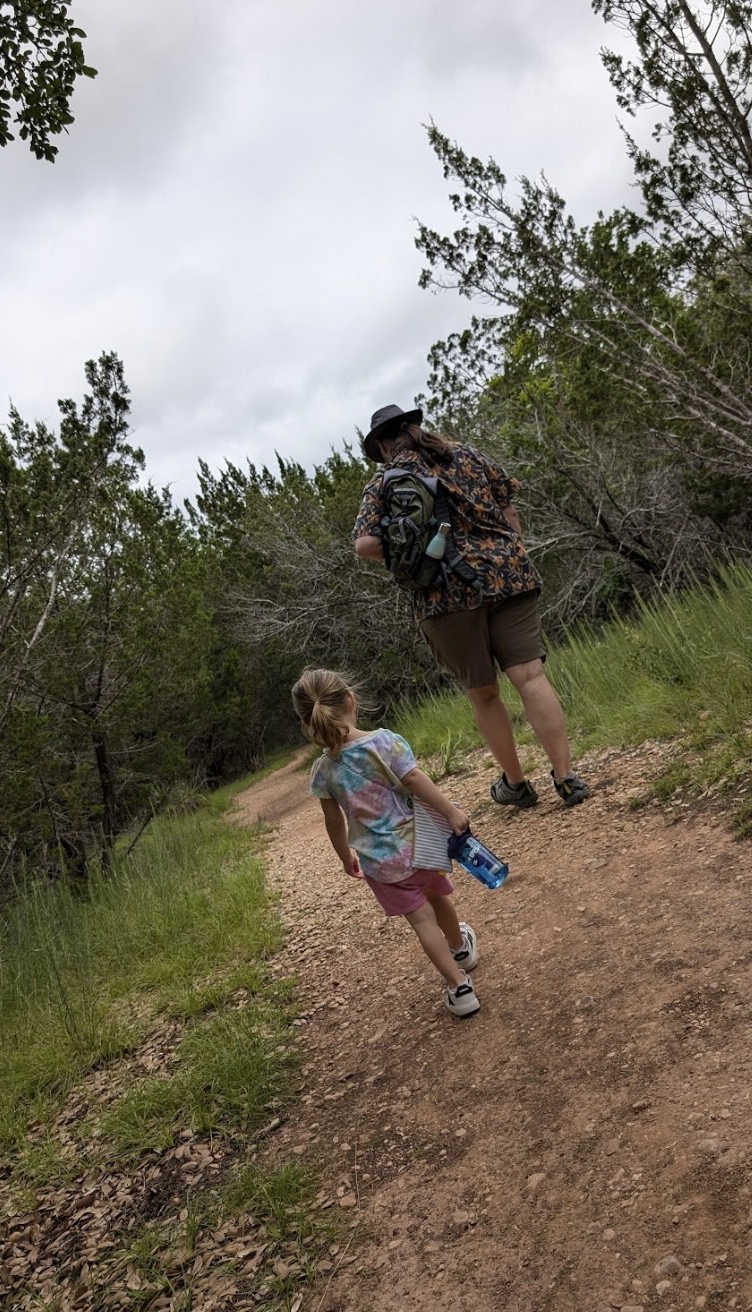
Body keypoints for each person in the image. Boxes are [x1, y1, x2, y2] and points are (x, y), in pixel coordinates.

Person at [353, 404, 589, 810]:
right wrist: (507, 555)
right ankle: (566, 778)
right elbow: (509, 507)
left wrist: (413, 552)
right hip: (508, 576)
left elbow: (365, 544)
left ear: (383, 445)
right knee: (531, 676)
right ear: (414, 427)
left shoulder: (385, 481)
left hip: (445, 594)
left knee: (484, 694)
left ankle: (516, 784)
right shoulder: (466, 455)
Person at [291, 667, 482, 1019]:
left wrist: (344, 855)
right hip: (421, 845)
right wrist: (451, 813)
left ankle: (460, 988)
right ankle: (461, 949)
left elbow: (333, 820)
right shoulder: (384, 742)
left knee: (423, 923)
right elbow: (414, 780)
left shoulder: (323, 771)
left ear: (308, 722)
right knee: (440, 897)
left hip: (382, 864)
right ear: (351, 701)